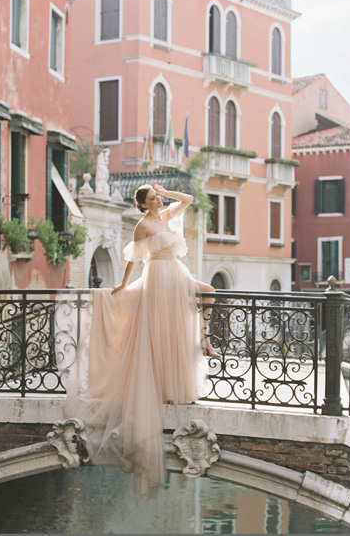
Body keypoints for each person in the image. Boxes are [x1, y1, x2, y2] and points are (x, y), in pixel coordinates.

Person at [64, 181, 218, 497]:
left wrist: (167, 190)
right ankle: (183, 363)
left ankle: (205, 338)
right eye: (152, 197)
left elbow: (187, 198)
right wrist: (121, 285)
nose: (158, 198)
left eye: (157, 195)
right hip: (158, 278)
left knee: (209, 293)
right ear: (144, 204)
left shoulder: (168, 214)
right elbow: (133, 260)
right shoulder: (143, 225)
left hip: (178, 274)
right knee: (161, 332)